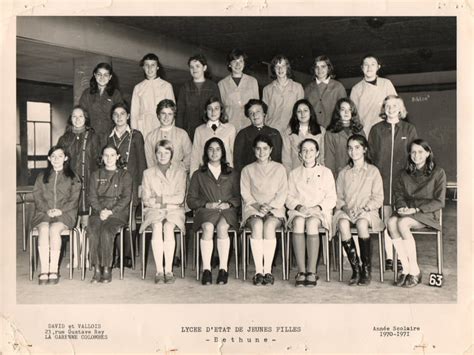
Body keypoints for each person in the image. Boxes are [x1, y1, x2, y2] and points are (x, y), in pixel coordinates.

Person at [368, 95, 418, 271]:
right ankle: (389, 257)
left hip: (402, 183)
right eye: (387, 105)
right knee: (386, 218)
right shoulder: (375, 130)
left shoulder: (409, 129)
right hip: (381, 181)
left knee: (399, 219)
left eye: (394, 105)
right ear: (384, 108)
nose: (391, 108)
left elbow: (414, 156)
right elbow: (371, 157)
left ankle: (400, 256)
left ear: (401, 108)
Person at [387, 139, 446, 288]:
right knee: (391, 222)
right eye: (413, 152)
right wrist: (401, 207)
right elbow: (398, 194)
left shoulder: (438, 173)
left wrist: (416, 210)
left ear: (427, 153)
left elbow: (439, 201)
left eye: (420, 151)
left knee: (402, 223)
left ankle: (415, 271)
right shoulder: (403, 173)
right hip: (408, 210)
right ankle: (406, 269)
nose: (416, 155)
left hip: (427, 213)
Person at [187, 137, 241, 285]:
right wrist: (206, 204)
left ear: (223, 152)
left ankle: (223, 269)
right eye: (210, 149)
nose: (214, 152)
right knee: (208, 227)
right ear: (206, 153)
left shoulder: (232, 173)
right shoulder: (198, 174)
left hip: (227, 211)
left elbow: (238, 197)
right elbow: (190, 200)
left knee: (223, 228)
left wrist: (229, 204)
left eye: (218, 149)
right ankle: (206, 269)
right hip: (206, 211)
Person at [333, 134, 384, 286]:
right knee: (342, 224)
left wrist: (364, 208)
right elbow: (338, 197)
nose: (353, 151)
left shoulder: (373, 171)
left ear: (364, 150)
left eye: (357, 148)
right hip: (347, 211)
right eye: (350, 148)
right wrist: (346, 209)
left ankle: (366, 270)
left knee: (362, 224)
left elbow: (378, 198)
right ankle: (356, 269)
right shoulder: (343, 173)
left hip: (367, 211)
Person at [286, 139, 336, 287]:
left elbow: (332, 198)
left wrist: (318, 208)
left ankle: (312, 271)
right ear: (300, 154)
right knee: (299, 222)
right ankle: (301, 271)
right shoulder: (294, 174)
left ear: (317, 153)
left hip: (319, 212)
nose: (308, 153)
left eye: (311, 150)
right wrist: (299, 207)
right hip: (300, 211)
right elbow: (288, 197)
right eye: (304, 150)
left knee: (312, 223)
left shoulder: (326, 172)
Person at [240, 134, 288, 286]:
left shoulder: (279, 169)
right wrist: (257, 206)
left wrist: (270, 206)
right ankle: (258, 271)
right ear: (254, 150)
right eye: (258, 149)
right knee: (257, 225)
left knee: (268, 226)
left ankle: (268, 271)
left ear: (271, 150)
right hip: (253, 208)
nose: (262, 152)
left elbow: (282, 193)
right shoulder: (247, 170)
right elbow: (245, 193)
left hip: (275, 208)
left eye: (265, 148)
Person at [31, 145, 81, 285]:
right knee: (44, 229)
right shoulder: (41, 176)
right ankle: (44, 270)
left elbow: (74, 198)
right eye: (53, 156)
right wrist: (47, 209)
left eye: (60, 156)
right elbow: (37, 196)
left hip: (65, 213)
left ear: (65, 158)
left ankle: (53, 270)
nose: (56, 159)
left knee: (54, 230)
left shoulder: (73, 177)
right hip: (43, 212)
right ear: (49, 158)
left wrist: (60, 210)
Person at [140, 140, 187, 284]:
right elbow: (146, 198)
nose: (162, 155)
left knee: (168, 227)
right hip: (154, 210)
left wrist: (160, 199)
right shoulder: (148, 173)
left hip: (175, 210)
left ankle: (169, 270)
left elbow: (179, 198)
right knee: (157, 226)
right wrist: (162, 202)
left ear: (171, 154)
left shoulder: (180, 172)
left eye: (166, 152)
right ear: (155, 154)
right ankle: (159, 271)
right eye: (159, 152)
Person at [106, 102, 146, 268]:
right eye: (116, 114)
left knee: (130, 218)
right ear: (112, 117)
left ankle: (128, 255)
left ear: (128, 116)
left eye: (122, 113)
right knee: (115, 217)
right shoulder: (109, 137)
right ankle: (117, 255)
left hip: (132, 181)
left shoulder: (135, 135)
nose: (119, 117)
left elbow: (142, 161)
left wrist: (141, 184)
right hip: (113, 184)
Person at [87, 145, 132, 283]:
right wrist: (101, 210)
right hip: (98, 212)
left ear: (118, 157)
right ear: (102, 157)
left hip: (117, 213)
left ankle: (106, 268)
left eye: (112, 155)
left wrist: (111, 211)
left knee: (107, 231)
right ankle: (96, 268)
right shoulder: (95, 175)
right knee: (93, 230)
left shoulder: (125, 175)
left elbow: (126, 198)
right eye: (106, 155)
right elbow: (92, 197)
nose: (109, 158)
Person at [57, 105, 100, 227]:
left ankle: (85, 246)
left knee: (86, 222)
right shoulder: (64, 139)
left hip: (88, 183)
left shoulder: (93, 137)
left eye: (80, 116)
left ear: (85, 118)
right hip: (69, 185)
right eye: (74, 116)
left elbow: (98, 162)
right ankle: (74, 246)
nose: (77, 119)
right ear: (70, 119)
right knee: (70, 222)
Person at [176, 54, 221, 141]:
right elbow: (180, 113)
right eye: (191, 67)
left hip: (208, 130)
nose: (194, 69)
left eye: (197, 66)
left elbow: (218, 109)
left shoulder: (213, 86)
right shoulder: (185, 87)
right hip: (189, 131)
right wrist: (179, 133)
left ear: (204, 68)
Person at [131, 53, 175, 140]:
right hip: (143, 127)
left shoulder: (166, 86)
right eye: (147, 65)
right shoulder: (138, 87)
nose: (150, 68)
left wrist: (170, 132)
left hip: (161, 124)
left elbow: (172, 111)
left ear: (157, 67)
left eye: (153, 65)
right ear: (143, 67)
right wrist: (135, 134)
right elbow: (134, 114)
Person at [350, 55, 397, 136]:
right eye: (366, 65)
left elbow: (396, 106)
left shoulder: (386, 83)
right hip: (366, 131)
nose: (369, 67)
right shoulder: (356, 89)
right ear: (362, 67)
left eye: (372, 64)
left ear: (378, 67)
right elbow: (353, 115)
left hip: (386, 130)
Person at [79, 62, 123, 146]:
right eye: (99, 74)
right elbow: (81, 114)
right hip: (90, 137)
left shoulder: (115, 94)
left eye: (106, 75)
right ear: (95, 75)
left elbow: (120, 115)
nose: (102, 78)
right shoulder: (87, 93)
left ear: (110, 77)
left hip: (110, 136)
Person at [233, 99, 283, 173]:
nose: (255, 115)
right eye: (251, 113)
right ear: (248, 116)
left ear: (264, 113)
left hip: (271, 175)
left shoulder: (275, 133)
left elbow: (278, 159)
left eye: (258, 111)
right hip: (250, 176)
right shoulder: (243, 134)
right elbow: (238, 162)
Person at [190, 97, 236, 175]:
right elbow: (195, 156)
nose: (213, 112)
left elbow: (233, 153)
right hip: (206, 173)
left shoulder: (230, 129)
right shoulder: (199, 130)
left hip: (226, 172)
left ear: (221, 110)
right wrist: (192, 176)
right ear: (206, 111)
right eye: (209, 109)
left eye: (216, 108)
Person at [218, 48, 259, 132]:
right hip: (230, 128)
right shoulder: (221, 84)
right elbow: (221, 110)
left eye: (240, 61)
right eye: (234, 61)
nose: (238, 65)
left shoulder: (253, 81)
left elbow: (257, 107)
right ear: (229, 64)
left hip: (249, 126)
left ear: (244, 63)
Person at [144, 99, 192, 171]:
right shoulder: (150, 137)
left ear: (174, 116)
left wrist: (181, 170)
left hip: (178, 176)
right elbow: (149, 161)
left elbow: (190, 155)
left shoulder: (182, 134)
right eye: (163, 113)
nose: (166, 117)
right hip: (157, 177)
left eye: (170, 114)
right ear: (158, 115)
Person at [262, 54, 304, 133]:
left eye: (283, 66)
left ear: (287, 67)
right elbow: (264, 113)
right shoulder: (267, 89)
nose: (280, 69)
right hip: (272, 129)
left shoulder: (298, 87)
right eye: (277, 66)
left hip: (290, 130)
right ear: (274, 69)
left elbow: (301, 111)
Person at [282, 99, 325, 175]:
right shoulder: (288, 132)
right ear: (295, 114)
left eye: (305, 110)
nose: (302, 114)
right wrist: (289, 176)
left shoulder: (321, 131)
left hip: (316, 173)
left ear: (310, 112)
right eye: (299, 111)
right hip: (296, 173)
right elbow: (286, 159)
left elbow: (322, 156)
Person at [324, 98, 365, 179]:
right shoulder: (331, 133)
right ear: (338, 112)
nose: (346, 112)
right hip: (340, 175)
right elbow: (329, 160)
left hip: (359, 175)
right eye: (343, 109)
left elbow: (365, 154)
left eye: (349, 110)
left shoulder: (359, 131)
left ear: (353, 112)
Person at [304, 55, 347, 129]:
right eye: (317, 67)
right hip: (313, 130)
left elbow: (345, 110)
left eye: (323, 66)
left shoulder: (338, 87)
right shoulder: (308, 88)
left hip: (333, 130)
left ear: (329, 68)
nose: (319, 70)